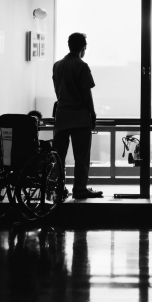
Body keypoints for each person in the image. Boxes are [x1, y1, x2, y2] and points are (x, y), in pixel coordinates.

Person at [52, 32, 103, 200]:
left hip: (61, 116)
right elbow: (86, 92)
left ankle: (58, 189)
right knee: (81, 156)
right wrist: (92, 113)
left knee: (58, 156)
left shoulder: (57, 65)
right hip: (80, 117)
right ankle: (80, 188)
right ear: (83, 48)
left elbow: (57, 90)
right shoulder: (81, 66)